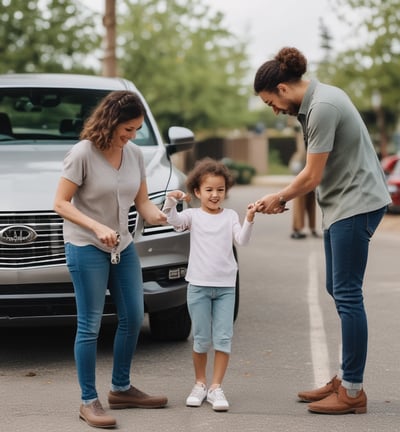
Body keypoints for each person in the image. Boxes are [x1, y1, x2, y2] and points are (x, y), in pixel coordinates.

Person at [253, 47, 391, 415]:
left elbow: (311, 176)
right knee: (338, 288)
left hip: (356, 203)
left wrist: (277, 196)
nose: (274, 110)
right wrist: (284, 198)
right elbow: (316, 175)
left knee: (347, 294)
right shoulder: (318, 102)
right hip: (343, 204)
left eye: (271, 103)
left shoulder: (323, 107)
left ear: (282, 88)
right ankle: (346, 377)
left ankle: (352, 390)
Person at [54, 90, 168, 429]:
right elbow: (60, 203)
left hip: (123, 244)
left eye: (136, 130)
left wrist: (168, 214)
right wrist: (95, 226)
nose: (132, 137)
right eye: (128, 129)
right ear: (111, 120)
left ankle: (121, 388)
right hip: (86, 245)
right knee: (89, 325)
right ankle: (89, 400)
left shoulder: (134, 155)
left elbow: (143, 204)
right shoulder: (82, 154)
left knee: (133, 316)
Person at [162, 158, 257, 412]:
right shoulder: (192, 216)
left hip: (226, 288)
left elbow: (242, 241)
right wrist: (171, 200)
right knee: (201, 339)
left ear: (226, 191)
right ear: (197, 192)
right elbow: (171, 220)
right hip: (199, 287)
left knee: (223, 339)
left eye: (220, 190)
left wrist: (249, 218)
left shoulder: (230, 216)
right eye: (209, 190)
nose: (215, 195)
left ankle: (216, 387)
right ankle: (200, 384)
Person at [289, 135, 318, 239]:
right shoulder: (301, 150)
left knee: (311, 203)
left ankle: (312, 227)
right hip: (302, 176)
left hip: (310, 177)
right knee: (299, 203)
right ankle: (298, 228)